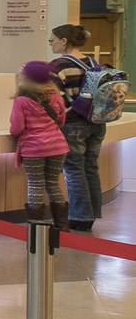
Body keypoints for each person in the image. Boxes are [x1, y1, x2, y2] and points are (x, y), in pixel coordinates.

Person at [49, 23, 105, 232]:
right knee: (91, 167)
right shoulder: (92, 62)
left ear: (64, 41)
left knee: (73, 170)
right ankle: (92, 214)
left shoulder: (58, 65)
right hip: (97, 123)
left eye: (52, 40)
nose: (51, 44)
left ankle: (80, 217)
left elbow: (57, 100)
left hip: (73, 124)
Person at [10, 61, 70, 226]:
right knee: (53, 183)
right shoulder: (56, 97)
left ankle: (37, 227)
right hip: (58, 146)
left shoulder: (21, 101)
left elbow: (17, 128)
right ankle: (62, 226)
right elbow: (61, 121)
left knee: (35, 184)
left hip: (34, 148)